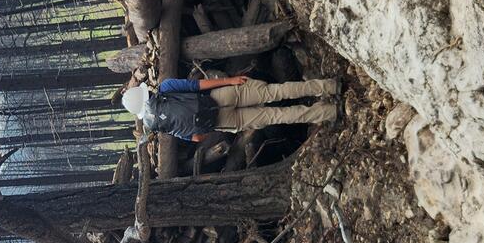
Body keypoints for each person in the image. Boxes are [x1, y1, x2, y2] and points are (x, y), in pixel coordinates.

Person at [121, 75, 339, 142]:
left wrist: (210, 125)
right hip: (219, 96)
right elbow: (197, 85)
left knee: (277, 115)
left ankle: (328, 112)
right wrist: (231, 80)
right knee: (276, 92)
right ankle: (328, 86)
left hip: (222, 122)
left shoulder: (158, 125)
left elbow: (196, 138)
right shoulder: (165, 88)